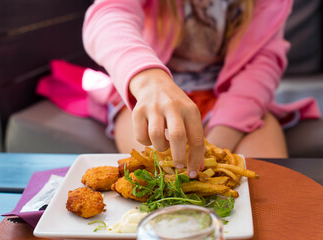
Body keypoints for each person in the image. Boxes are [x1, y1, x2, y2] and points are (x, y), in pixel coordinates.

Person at [82, 0, 320, 178]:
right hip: (149, 87)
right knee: (160, 175)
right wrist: (148, 80)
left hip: (233, 96)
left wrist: (217, 143)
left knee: (273, 182)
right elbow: (109, 15)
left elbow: (262, 63)